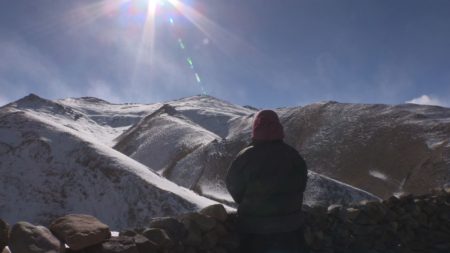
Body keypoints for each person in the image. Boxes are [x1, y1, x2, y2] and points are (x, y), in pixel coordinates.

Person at [226, 110, 308, 253]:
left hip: (254, 229)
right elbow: (302, 184)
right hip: (291, 228)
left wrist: (249, 202)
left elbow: (233, 185)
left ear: (256, 128)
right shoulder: (293, 155)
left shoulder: (246, 156)